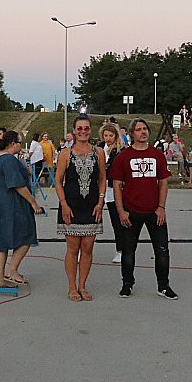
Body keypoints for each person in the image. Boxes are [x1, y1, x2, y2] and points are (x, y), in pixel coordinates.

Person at [109, 118, 177, 300]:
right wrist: (120, 210)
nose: (143, 132)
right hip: (131, 211)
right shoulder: (123, 156)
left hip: (154, 211)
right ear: (132, 134)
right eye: (138, 129)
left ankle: (163, 286)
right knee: (128, 251)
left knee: (162, 250)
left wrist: (161, 207)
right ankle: (127, 284)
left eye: (145, 129)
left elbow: (163, 182)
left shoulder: (157, 155)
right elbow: (117, 185)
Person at [55, 116, 106, 301]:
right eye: (79, 128)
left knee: (88, 248)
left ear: (90, 130)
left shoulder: (98, 152)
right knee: (72, 248)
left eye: (86, 128)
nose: (83, 131)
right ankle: (72, 287)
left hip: (92, 206)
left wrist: (100, 202)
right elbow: (58, 181)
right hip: (71, 206)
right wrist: (63, 204)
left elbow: (102, 179)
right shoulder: (66, 153)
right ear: (74, 131)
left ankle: (83, 285)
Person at [0, 131, 42, 287]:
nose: (21, 146)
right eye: (19, 143)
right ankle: (13, 270)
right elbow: (18, 185)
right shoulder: (9, 160)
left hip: (0, 204)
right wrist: (33, 202)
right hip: (13, 204)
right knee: (27, 235)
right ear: (12, 143)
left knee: (2, 240)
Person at [99, 122, 125, 264]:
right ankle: (82, 250)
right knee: (91, 219)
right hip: (98, 187)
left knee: (116, 221)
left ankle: (120, 250)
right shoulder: (99, 148)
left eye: (111, 135)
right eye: (106, 135)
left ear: (115, 136)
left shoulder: (120, 150)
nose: (108, 138)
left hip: (112, 189)